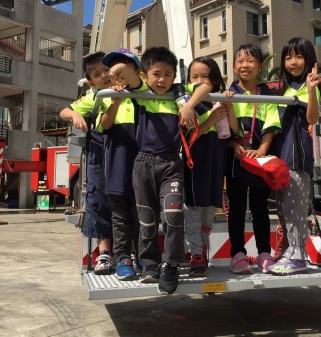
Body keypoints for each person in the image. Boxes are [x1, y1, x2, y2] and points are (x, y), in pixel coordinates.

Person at [107, 46, 211, 295]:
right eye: (156, 73)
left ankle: (171, 265)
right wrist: (117, 71)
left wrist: (188, 106)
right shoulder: (142, 93)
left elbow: (205, 85)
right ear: (144, 75)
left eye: (167, 74)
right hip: (143, 164)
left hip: (171, 165)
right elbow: (123, 70)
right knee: (146, 218)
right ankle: (150, 263)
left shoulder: (180, 95)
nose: (162, 79)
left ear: (175, 76)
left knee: (173, 215)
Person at [225, 44, 281, 274]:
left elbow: (271, 125)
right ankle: (237, 254)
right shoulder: (227, 94)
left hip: (260, 160)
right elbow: (223, 130)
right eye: (240, 61)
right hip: (235, 159)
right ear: (234, 66)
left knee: (260, 207)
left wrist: (262, 150)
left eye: (250, 61)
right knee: (236, 207)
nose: (245, 65)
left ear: (260, 66)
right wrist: (236, 148)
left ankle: (264, 253)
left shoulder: (267, 94)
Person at [267, 37, 320, 275]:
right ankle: (290, 251)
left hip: (297, 157)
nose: (293, 62)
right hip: (282, 158)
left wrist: (310, 90)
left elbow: (312, 118)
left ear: (309, 60)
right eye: (288, 57)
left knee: (295, 207)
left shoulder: (309, 86)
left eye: (298, 56)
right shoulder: (286, 89)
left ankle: (298, 256)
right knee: (284, 208)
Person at [182, 57, 238, 276]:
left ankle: (201, 247)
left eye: (205, 76)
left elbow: (233, 131)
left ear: (215, 79)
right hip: (195, 165)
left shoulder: (218, 99)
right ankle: (196, 253)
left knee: (208, 212)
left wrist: (229, 107)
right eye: (194, 77)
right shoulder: (187, 102)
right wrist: (211, 119)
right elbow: (188, 139)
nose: (199, 81)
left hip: (215, 166)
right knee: (193, 210)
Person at [59, 53, 114, 275]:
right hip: (100, 154)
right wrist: (74, 115)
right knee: (100, 201)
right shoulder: (94, 98)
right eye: (97, 74)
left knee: (126, 202)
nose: (103, 76)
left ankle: (129, 252)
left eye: (106, 70)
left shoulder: (130, 92)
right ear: (91, 82)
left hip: (125, 153)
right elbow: (64, 111)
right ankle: (105, 252)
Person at [97, 48, 142, 281]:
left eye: (125, 66)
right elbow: (103, 125)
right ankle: (123, 257)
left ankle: (143, 257)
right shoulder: (105, 95)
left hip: (143, 166)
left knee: (143, 214)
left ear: (137, 71)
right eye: (114, 67)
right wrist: (115, 101)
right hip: (116, 166)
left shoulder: (146, 94)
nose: (118, 71)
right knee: (120, 216)